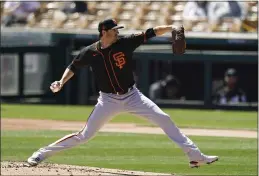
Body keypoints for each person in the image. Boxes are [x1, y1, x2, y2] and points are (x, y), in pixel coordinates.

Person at [27, 18, 218, 168]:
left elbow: (151, 32)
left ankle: (196, 157)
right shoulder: (90, 52)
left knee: (164, 119)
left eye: (118, 29)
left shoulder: (125, 43)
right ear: (104, 32)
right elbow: (73, 66)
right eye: (114, 30)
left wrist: (171, 27)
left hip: (133, 96)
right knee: (84, 136)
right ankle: (41, 154)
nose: (118, 32)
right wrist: (61, 81)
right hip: (108, 100)